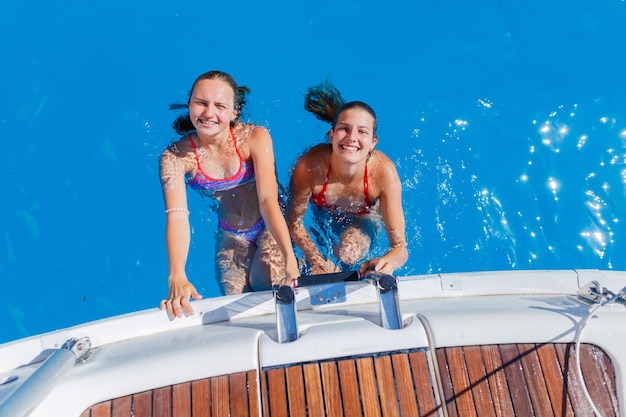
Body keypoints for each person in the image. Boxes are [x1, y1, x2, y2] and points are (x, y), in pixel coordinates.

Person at [159, 70, 299, 318]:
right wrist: (176, 274)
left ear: (234, 112)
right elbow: (177, 216)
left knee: (267, 280)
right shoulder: (175, 157)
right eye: (201, 103)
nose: (208, 113)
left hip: (269, 224)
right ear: (190, 104)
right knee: (235, 304)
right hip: (231, 234)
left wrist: (289, 258)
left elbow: (268, 202)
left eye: (219, 106)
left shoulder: (254, 137)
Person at [287, 81, 408, 277]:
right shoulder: (310, 167)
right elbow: (293, 221)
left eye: (362, 132)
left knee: (349, 253)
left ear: (372, 142)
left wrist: (387, 262)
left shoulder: (384, 173)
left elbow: (401, 247)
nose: (352, 138)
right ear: (331, 134)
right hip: (321, 213)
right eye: (344, 129)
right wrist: (318, 262)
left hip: (364, 217)